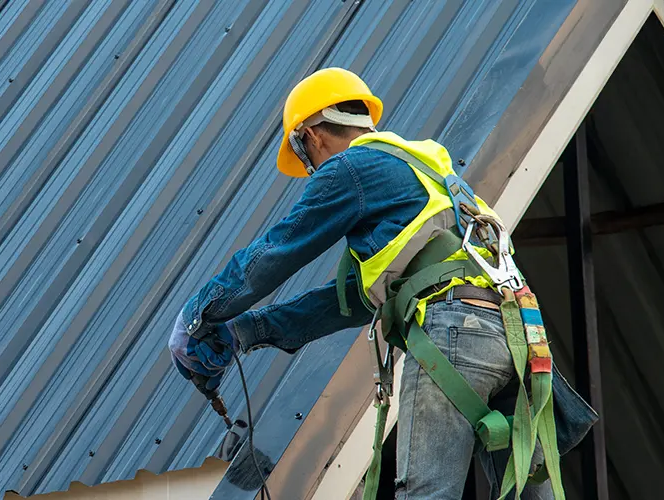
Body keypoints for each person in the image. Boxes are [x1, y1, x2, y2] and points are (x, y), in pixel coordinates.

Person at [168, 68, 595, 499]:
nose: (312, 169)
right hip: (515, 337)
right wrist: (248, 330)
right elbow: (351, 301)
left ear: (310, 137)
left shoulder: (351, 167)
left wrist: (197, 316)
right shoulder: (421, 172)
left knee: (425, 493)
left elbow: (278, 251)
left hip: (454, 335)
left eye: (304, 159)